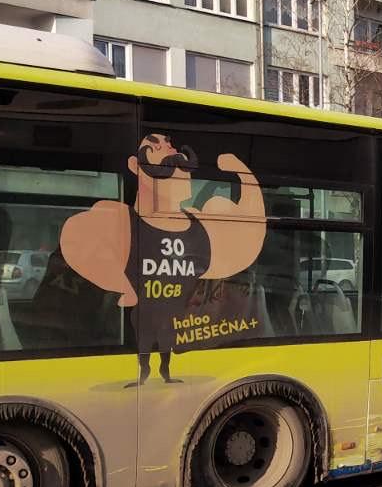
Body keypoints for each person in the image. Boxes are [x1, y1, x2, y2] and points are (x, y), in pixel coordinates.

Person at [60, 134, 265, 384]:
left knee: (166, 345)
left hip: (182, 327)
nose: (171, 152)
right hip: (140, 319)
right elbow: (78, 243)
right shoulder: (115, 223)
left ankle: (165, 374)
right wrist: (126, 290)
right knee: (145, 342)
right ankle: (143, 374)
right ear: (136, 166)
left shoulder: (206, 227)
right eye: (155, 148)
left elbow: (249, 235)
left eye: (171, 147)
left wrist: (244, 174)